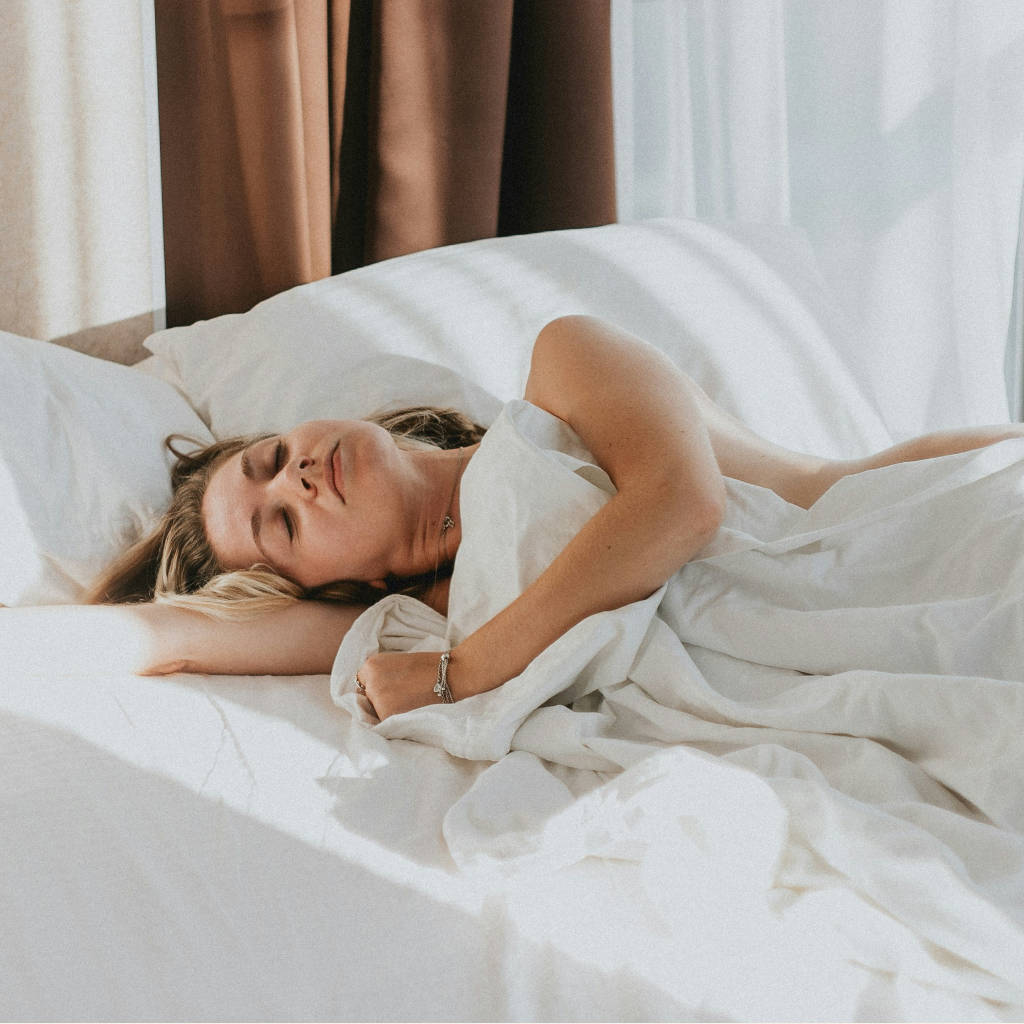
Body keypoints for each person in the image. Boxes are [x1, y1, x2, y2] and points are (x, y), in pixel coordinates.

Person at [11, 317, 1023, 716]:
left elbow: (682, 505)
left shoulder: (565, 366)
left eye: (273, 457)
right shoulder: (420, 611)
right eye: (282, 521)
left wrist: (470, 672)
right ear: (332, 585)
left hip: (925, 528)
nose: (298, 479)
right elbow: (166, 637)